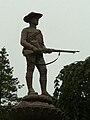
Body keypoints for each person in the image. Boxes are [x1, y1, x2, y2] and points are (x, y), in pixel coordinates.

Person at [20, 12, 53, 96]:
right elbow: (23, 41)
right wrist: (32, 48)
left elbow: (42, 44)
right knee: (30, 69)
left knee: (43, 70)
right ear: (30, 20)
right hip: (31, 53)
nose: (37, 20)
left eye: (37, 19)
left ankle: (44, 91)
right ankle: (30, 89)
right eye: (35, 18)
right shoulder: (25, 30)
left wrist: (46, 50)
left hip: (39, 53)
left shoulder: (39, 32)